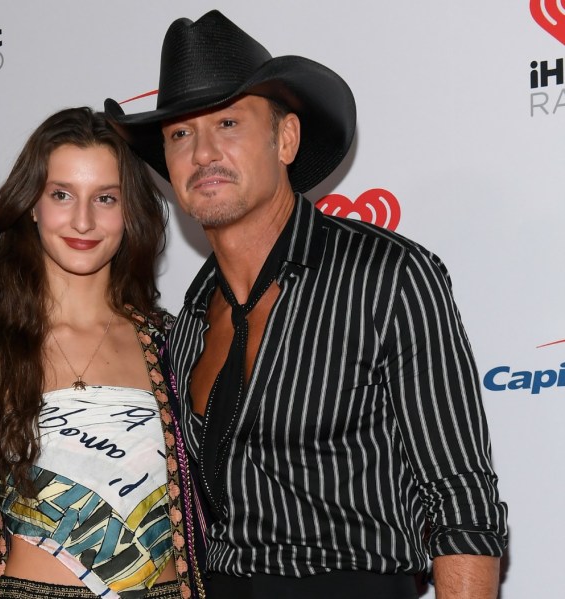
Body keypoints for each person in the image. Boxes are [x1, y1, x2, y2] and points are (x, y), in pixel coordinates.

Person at [105, 10, 508, 599]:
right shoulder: (186, 324)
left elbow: (460, 496)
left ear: (286, 138)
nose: (203, 152)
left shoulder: (386, 276)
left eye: (229, 123)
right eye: (181, 134)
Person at [0, 107, 205, 599]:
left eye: (105, 198)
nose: (83, 219)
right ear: (32, 204)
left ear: (131, 211)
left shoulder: (174, 347)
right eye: (62, 195)